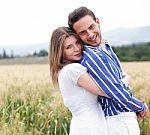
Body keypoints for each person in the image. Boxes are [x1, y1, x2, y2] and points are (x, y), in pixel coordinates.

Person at [68, 6, 148, 135]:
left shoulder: (104, 48)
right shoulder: (92, 57)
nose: (90, 34)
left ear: (98, 22)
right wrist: (140, 106)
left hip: (122, 118)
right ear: (77, 36)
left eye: (91, 27)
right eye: (82, 32)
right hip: (119, 121)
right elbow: (116, 90)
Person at [49, 26, 109, 135]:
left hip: (83, 125)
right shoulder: (73, 70)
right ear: (60, 52)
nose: (77, 48)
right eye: (69, 47)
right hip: (90, 127)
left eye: (77, 42)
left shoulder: (64, 71)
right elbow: (107, 91)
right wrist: (126, 79)